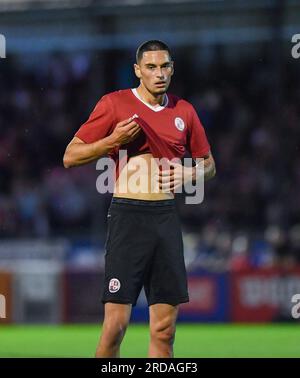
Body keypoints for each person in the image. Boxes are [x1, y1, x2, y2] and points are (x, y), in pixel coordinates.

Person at [63, 40, 216, 358]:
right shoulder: (115, 103)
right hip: (128, 217)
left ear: (172, 69)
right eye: (151, 67)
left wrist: (190, 175)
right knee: (115, 327)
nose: (159, 73)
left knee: (164, 330)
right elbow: (70, 156)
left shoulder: (183, 110)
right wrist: (112, 141)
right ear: (137, 70)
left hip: (165, 218)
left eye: (165, 66)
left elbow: (209, 164)